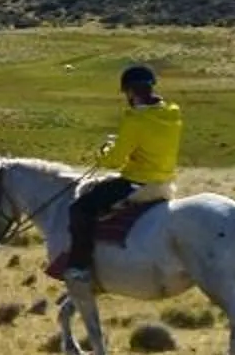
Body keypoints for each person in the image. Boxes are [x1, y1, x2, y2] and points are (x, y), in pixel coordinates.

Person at [70, 64, 180, 282]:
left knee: (80, 208)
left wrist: (104, 151)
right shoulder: (172, 114)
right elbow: (150, 143)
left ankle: (80, 266)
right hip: (165, 183)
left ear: (130, 92)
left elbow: (114, 161)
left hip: (138, 183)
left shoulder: (135, 119)